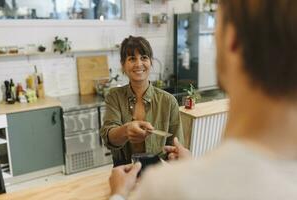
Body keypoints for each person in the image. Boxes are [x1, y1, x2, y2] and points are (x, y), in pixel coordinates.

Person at [108, 0, 297, 199]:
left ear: (232, 41)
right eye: (131, 59)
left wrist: (118, 195)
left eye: (216, 28)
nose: (138, 64)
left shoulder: (165, 188)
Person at [100, 35, 184, 167]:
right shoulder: (114, 96)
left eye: (144, 57)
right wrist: (126, 130)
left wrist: (175, 156)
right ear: (123, 65)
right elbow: (109, 138)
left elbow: (176, 144)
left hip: (159, 170)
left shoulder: (169, 101)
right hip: (124, 170)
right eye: (132, 58)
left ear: (151, 62)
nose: (139, 64)